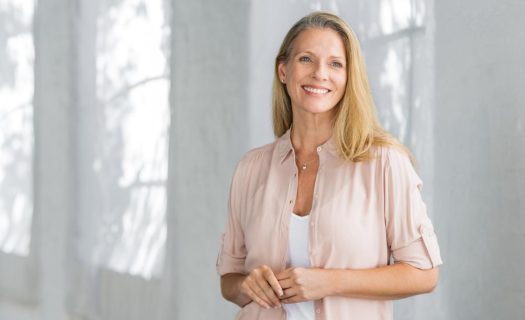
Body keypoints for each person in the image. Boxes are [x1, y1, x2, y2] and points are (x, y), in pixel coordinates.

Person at [216, 11, 442, 320]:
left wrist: (330, 281)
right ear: (283, 71)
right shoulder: (250, 169)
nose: (320, 73)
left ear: (349, 77)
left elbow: (424, 273)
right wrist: (247, 284)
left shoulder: (384, 163)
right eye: (306, 59)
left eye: (335, 63)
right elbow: (229, 280)